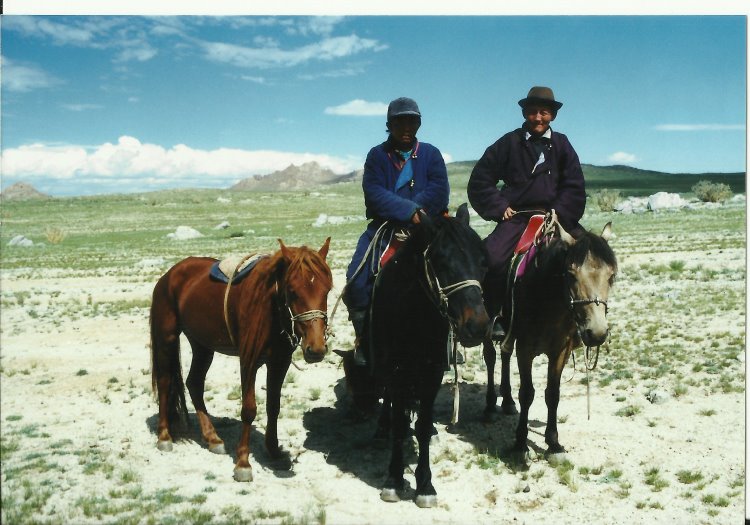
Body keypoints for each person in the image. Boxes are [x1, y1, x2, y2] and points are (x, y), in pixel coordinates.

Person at [467, 86, 586, 339]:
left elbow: (574, 185)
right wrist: (499, 207)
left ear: (553, 115)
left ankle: (582, 319)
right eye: (532, 112)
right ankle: (498, 315)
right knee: (492, 258)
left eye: (544, 112)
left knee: (586, 256)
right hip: (518, 217)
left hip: (557, 217)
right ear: (524, 113)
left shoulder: (562, 144)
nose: (538, 118)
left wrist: (560, 212)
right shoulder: (509, 143)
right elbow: (480, 179)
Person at [344, 97, 450, 365]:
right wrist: (408, 211)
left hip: (425, 227)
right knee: (356, 279)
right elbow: (374, 193)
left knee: (454, 276)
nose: (406, 127)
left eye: (411, 121)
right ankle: (365, 342)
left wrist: (419, 214)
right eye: (399, 121)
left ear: (418, 123)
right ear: (389, 125)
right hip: (385, 228)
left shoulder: (431, 154)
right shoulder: (377, 156)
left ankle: (448, 341)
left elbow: (439, 190)